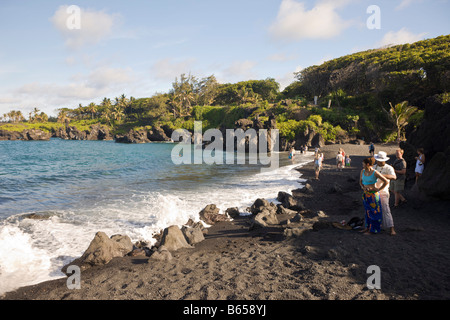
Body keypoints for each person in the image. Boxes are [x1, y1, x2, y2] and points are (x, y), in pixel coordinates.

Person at [359, 156, 388, 235]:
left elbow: (386, 181)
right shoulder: (363, 171)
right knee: (367, 211)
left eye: (363, 163)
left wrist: (378, 189)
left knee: (374, 212)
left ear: (368, 164)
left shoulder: (375, 172)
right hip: (366, 194)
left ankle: (373, 230)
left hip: (373, 195)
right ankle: (367, 228)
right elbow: (360, 182)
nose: (362, 164)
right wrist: (363, 187)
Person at [374, 151, 397, 236]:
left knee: (386, 209)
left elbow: (394, 177)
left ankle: (392, 228)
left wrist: (381, 175)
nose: (378, 161)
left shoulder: (388, 168)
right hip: (374, 191)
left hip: (383, 191)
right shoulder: (374, 167)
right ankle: (377, 226)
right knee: (375, 209)